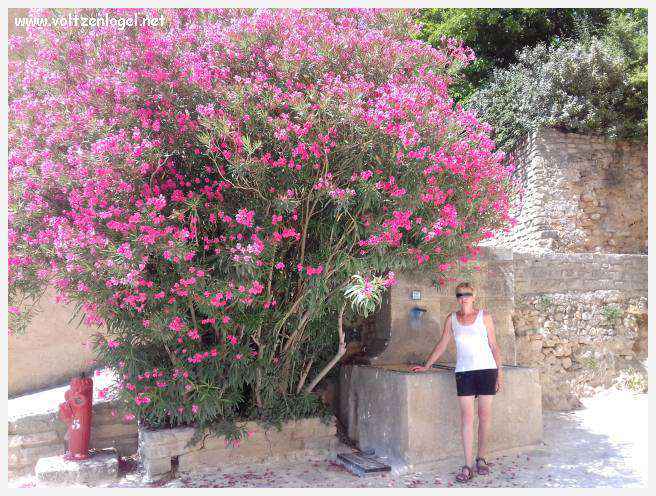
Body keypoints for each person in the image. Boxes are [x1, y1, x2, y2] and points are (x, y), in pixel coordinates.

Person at [410, 282, 503, 483]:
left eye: (467, 294)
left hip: (487, 370)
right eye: (460, 294)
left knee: (484, 417)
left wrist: (499, 373)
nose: (464, 297)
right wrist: (427, 365)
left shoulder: (484, 317)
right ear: (457, 297)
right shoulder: (451, 319)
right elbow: (443, 343)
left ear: (474, 296)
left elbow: (494, 346)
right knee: (467, 419)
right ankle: (467, 465)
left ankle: (481, 458)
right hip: (464, 372)